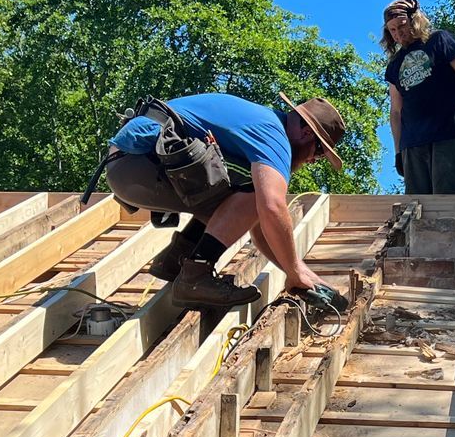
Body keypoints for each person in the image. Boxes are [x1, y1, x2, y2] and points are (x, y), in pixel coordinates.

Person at [101, 91, 349, 312]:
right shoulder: (275, 137)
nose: (314, 160)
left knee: (241, 194)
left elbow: (258, 225)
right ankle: (195, 276)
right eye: (319, 151)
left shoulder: (260, 122)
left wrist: (298, 272)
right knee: (259, 197)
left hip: (128, 164)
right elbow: (270, 207)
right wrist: (295, 270)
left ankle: (176, 260)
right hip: (139, 164)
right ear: (306, 132)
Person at [382, 0, 455, 195]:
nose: (398, 33)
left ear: (414, 20)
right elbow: (396, 112)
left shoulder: (439, 40)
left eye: (402, 26)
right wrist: (398, 151)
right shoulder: (394, 65)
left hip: (447, 133)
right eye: (392, 30)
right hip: (413, 143)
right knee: (416, 206)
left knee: (450, 199)